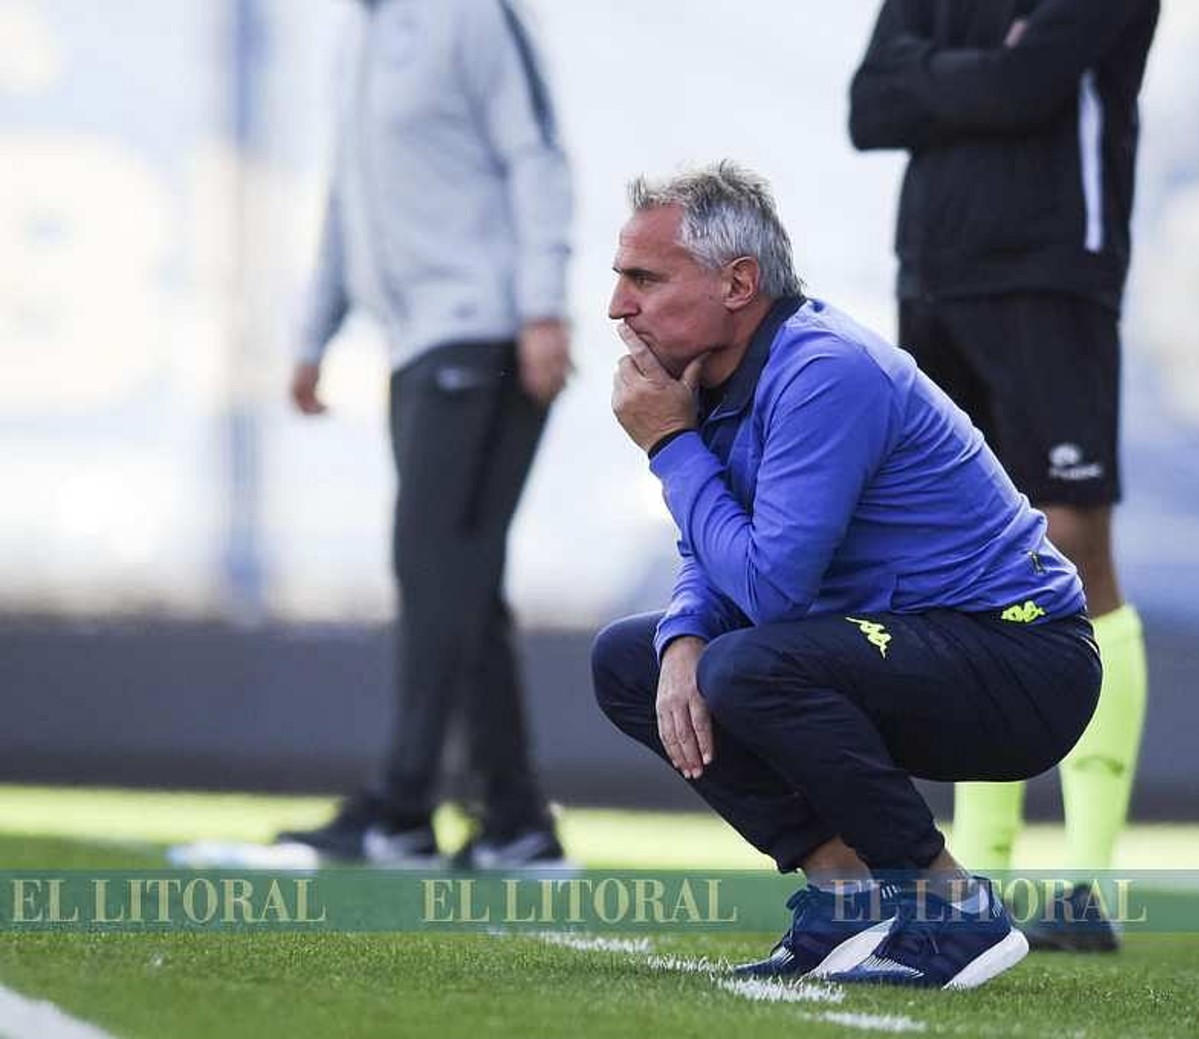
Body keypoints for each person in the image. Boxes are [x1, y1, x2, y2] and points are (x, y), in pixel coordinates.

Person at [592, 162, 1101, 989]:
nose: (618, 306)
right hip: (911, 643)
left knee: (746, 664)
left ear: (738, 283)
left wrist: (670, 447)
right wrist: (682, 635)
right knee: (630, 659)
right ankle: (845, 892)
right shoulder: (717, 374)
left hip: (1023, 661)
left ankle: (951, 908)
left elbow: (769, 590)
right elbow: (714, 549)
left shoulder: (824, 369)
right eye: (621, 278)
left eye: (645, 278)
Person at [848, 0, 1160, 950]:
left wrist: (931, 72)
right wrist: (982, 72)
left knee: (1072, 544)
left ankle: (1088, 886)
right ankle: (974, 873)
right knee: (956, 563)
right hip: (933, 271)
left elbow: (1026, 89)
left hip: (1049, 270)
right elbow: (868, 107)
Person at [277, 0, 573, 869]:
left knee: (436, 571)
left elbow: (537, 156)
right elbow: (347, 196)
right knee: (457, 585)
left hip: (484, 330)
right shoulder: (364, 32)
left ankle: (402, 806)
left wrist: (542, 307)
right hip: (413, 344)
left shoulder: (474, 14)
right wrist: (312, 335)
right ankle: (514, 819)